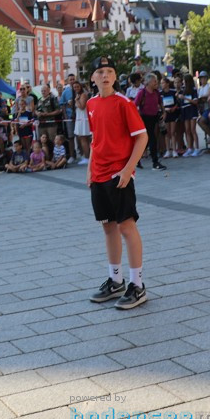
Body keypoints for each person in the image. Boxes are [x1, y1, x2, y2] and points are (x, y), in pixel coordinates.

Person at [85, 56, 149, 311]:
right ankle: (115, 280)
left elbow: (142, 137)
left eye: (110, 71)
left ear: (115, 76)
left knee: (126, 227)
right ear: (93, 78)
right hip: (99, 174)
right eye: (100, 71)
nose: (105, 75)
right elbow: (95, 138)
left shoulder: (124, 103)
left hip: (118, 173)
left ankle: (137, 285)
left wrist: (128, 169)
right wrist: (90, 168)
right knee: (108, 227)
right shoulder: (90, 104)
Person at [134, 73, 165, 170]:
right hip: (144, 118)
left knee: (147, 142)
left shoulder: (156, 92)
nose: (157, 82)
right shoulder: (142, 93)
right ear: (148, 83)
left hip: (154, 118)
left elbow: (160, 103)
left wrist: (164, 112)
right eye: (154, 81)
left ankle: (136, 159)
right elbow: (134, 105)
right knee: (152, 139)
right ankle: (155, 163)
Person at [74, 85, 91, 165]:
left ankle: (87, 157)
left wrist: (76, 100)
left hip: (83, 119)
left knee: (83, 138)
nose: (76, 88)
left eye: (77, 87)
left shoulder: (83, 95)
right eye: (74, 87)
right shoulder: (78, 95)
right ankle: (87, 156)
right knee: (84, 139)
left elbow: (82, 107)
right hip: (80, 118)